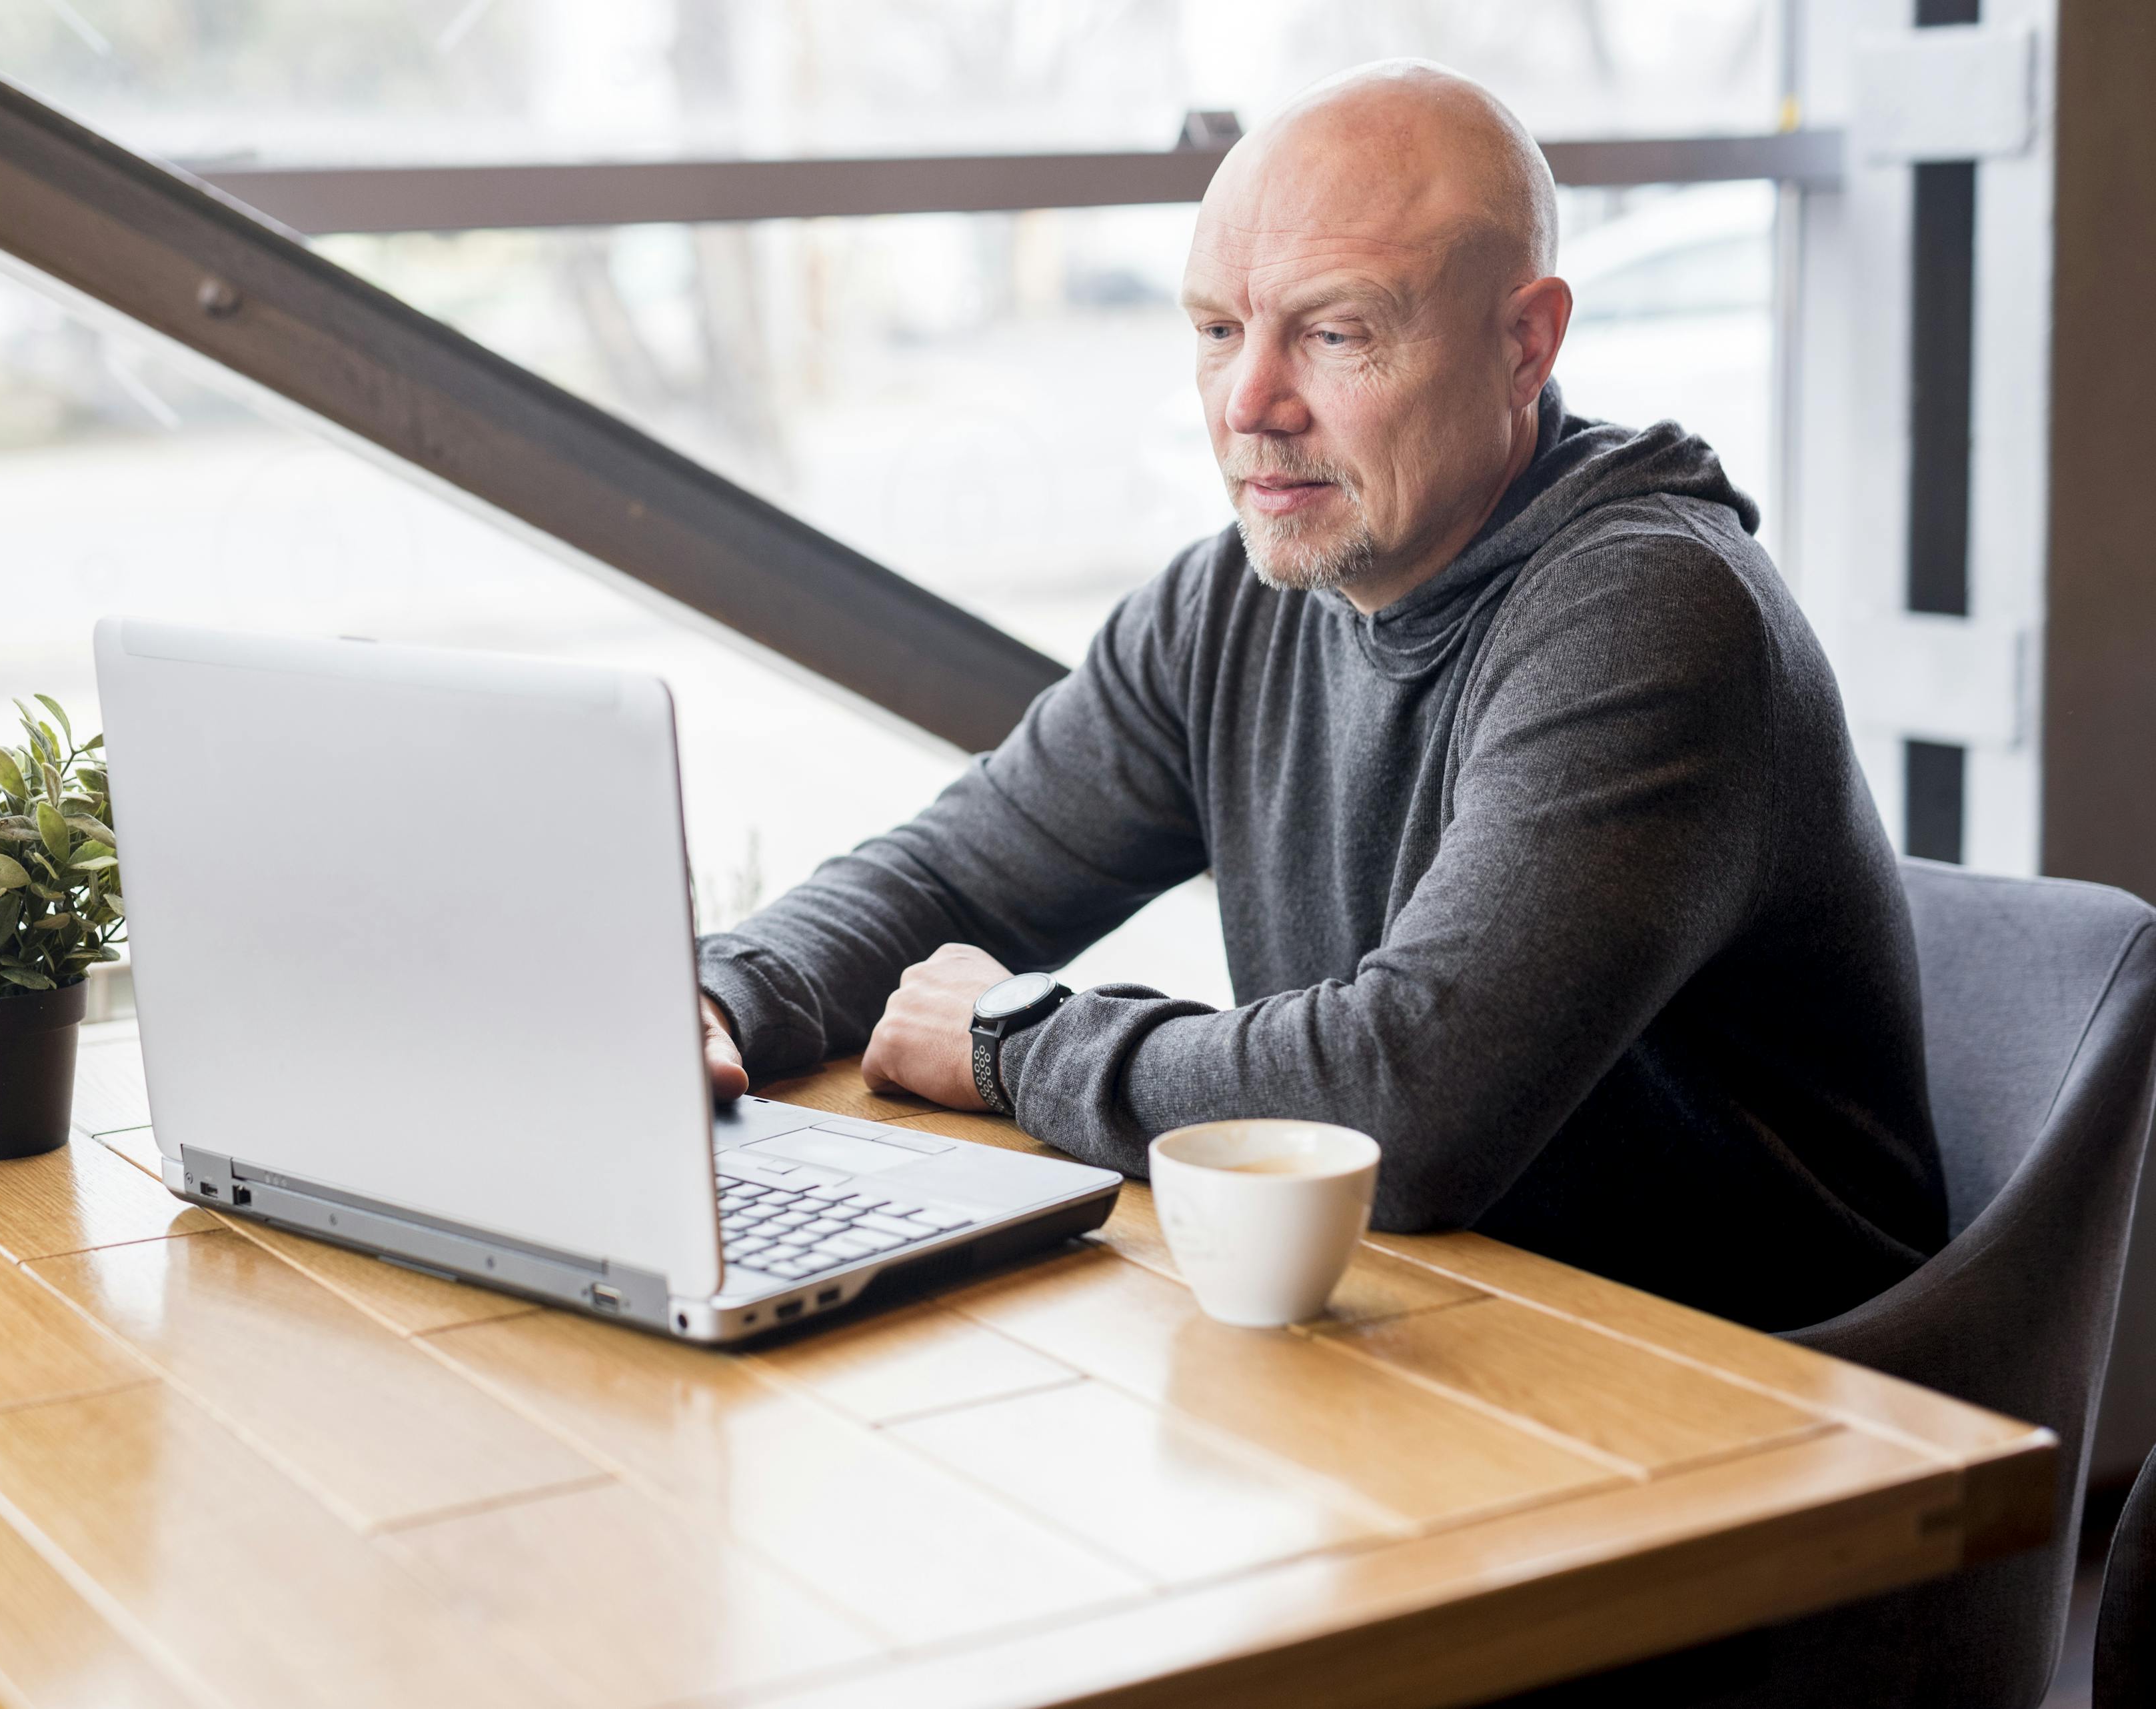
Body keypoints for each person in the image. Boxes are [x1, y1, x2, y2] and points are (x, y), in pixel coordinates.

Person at [693, 60, 1946, 1332]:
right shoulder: (1237, 603)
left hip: (1743, 1388)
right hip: (1422, 1316)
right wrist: (720, 996)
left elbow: (1404, 1103)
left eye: (1334, 332)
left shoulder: (1652, 617)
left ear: (1524, 344)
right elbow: (955, 879)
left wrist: (1017, 1040)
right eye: (1219, 331)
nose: (1249, 405)